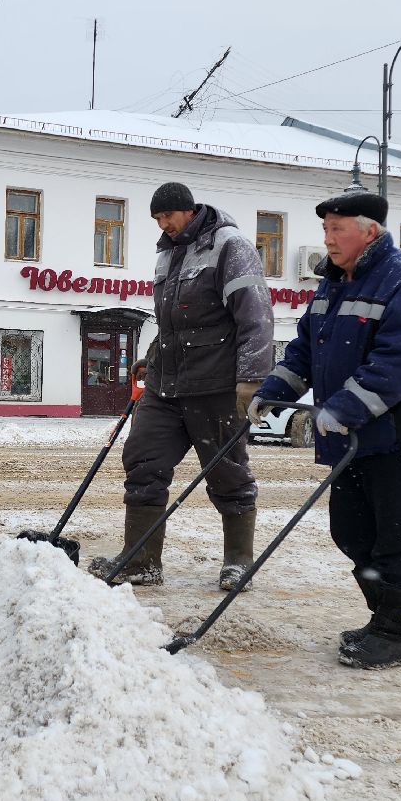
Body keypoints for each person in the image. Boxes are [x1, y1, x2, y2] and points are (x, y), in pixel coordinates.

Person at [249, 187, 401, 670]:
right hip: (352, 439)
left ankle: (395, 633)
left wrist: (345, 408)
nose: (328, 239)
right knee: (352, 531)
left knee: (397, 538)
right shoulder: (334, 283)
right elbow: (306, 348)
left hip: (399, 437)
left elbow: (398, 362)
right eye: (325, 229)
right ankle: (381, 618)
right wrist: (275, 386)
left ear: (369, 231)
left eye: (338, 229)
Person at [88, 182, 274, 589]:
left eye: (167, 216)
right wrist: (153, 356)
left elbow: (256, 316)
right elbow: (174, 320)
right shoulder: (167, 251)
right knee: (143, 463)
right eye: (156, 219)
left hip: (215, 385)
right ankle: (140, 562)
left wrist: (252, 378)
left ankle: (239, 561)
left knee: (228, 474)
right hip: (165, 386)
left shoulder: (229, 246)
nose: (163, 224)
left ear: (188, 210)